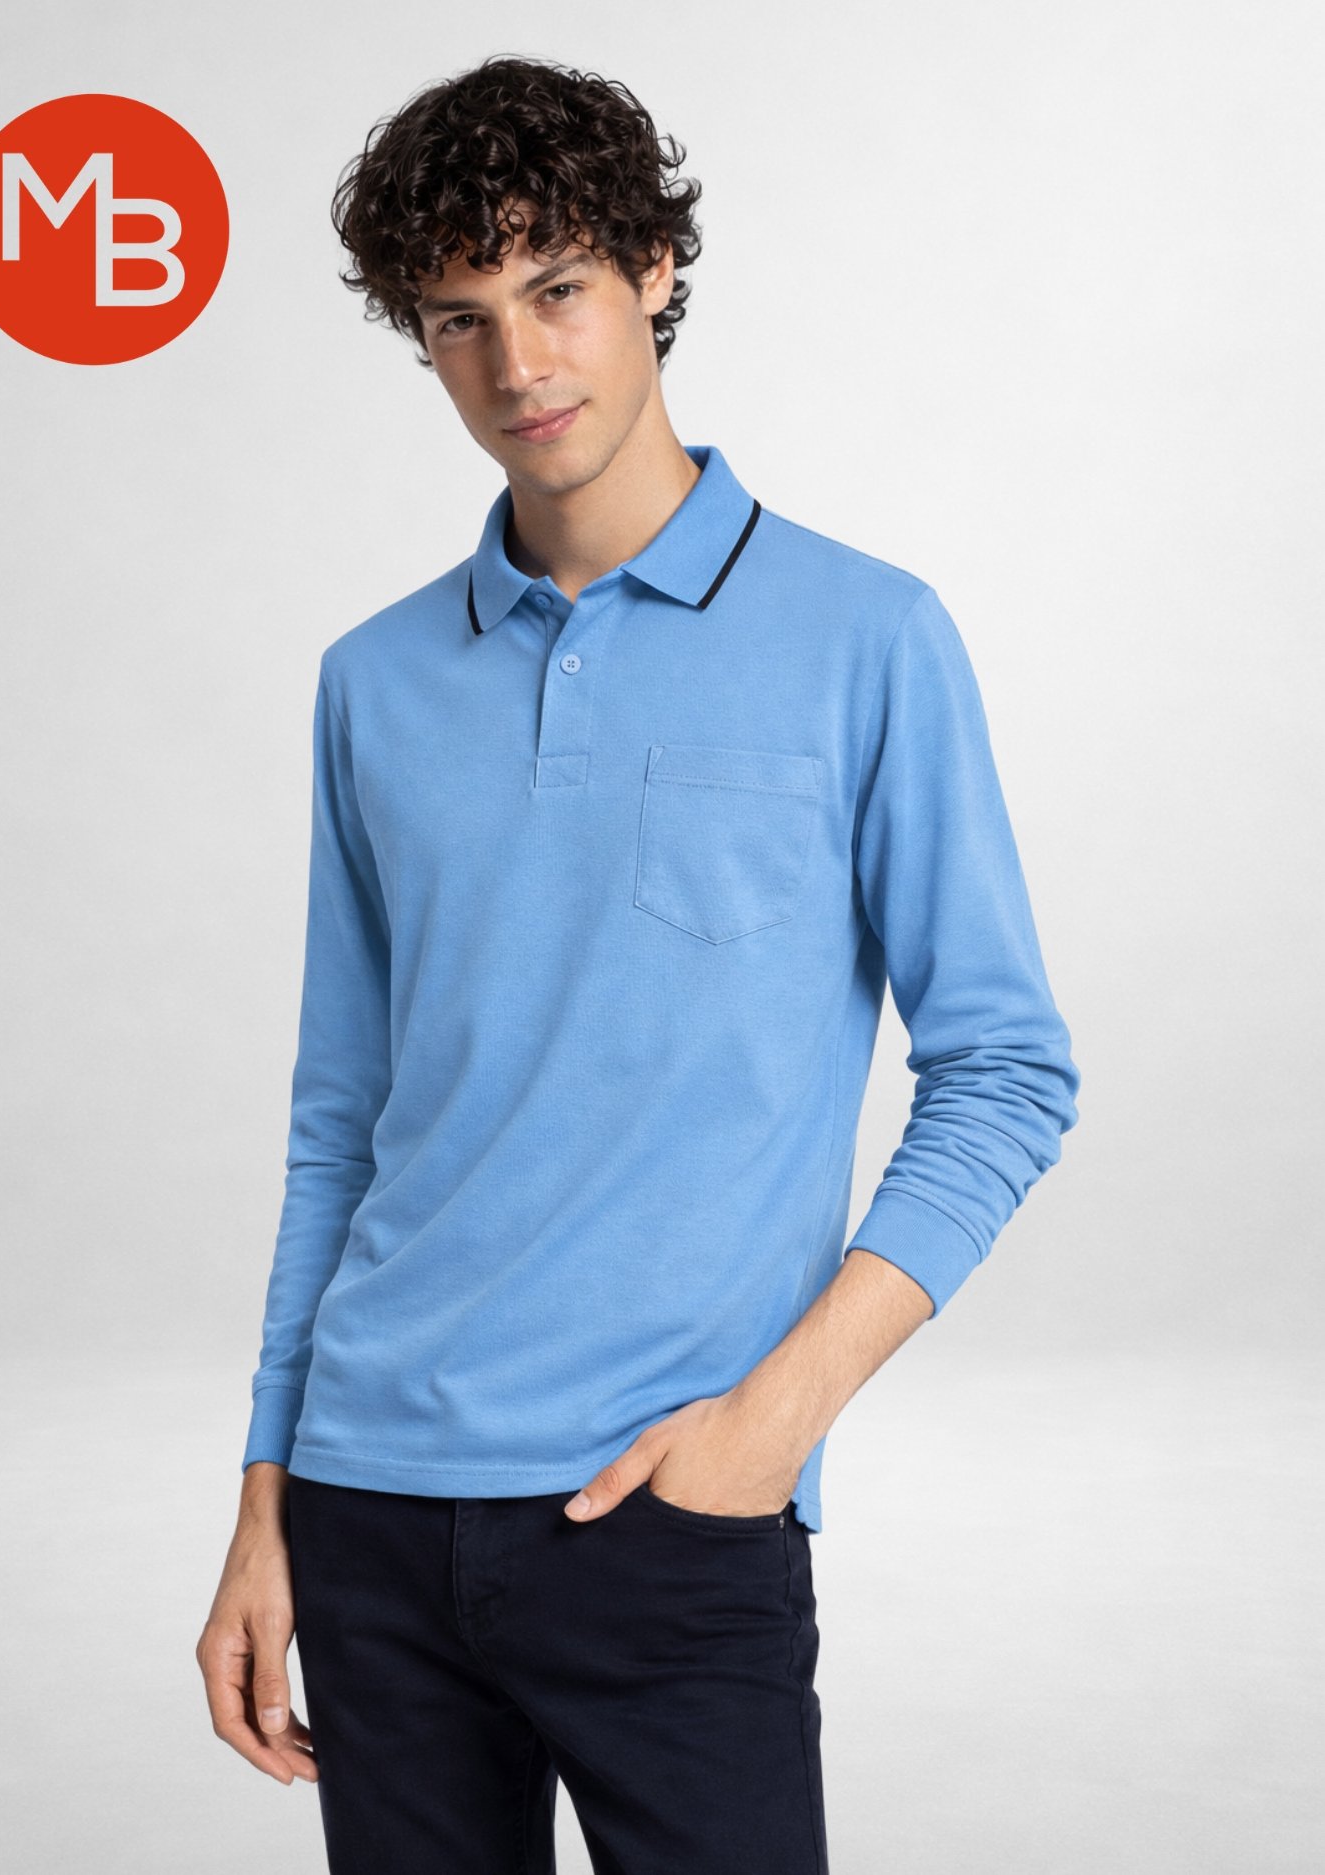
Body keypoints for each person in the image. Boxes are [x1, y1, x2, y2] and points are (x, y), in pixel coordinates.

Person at [196, 53, 1080, 1874]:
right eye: (459, 319)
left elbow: (1006, 1071)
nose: (519, 365)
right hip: (370, 1508)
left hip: (672, 1512)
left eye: (559, 288)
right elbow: (340, 1124)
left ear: (656, 268)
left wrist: (773, 1426)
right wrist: (267, 1500)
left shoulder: (868, 638)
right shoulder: (374, 682)